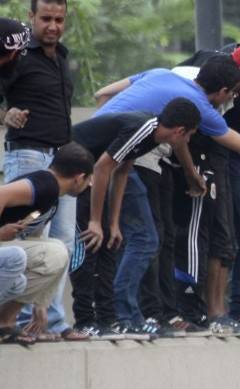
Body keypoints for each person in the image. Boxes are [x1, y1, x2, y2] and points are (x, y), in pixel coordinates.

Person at [69, 98, 200, 339]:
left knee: (110, 244)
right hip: (76, 174)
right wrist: (96, 221)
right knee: (89, 247)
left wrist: (114, 223)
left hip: (97, 177)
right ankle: (89, 318)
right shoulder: (144, 128)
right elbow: (102, 167)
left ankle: (115, 317)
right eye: (189, 136)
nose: (188, 142)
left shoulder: (152, 136)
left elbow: (122, 172)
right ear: (180, 131)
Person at [1, 0, 86, 341]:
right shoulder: (17, 55)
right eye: (46, 19)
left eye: (59, 19)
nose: (53, 26)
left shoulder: (61, 56)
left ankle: (53, 322)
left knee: (63, 242)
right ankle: (16, 321)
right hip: (29, 156)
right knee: (27, 239)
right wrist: (6, 116)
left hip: (61, 161)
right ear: (31, 17)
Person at [0, 142, 92, 344]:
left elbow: (34, 234)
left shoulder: (52, 195)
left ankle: (4, 323)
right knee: (54, 251)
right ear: (79, 177)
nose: (89, 185)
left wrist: (40, 302)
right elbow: (2, 194)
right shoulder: (45, 184)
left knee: (50, 255)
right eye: (89, 179)